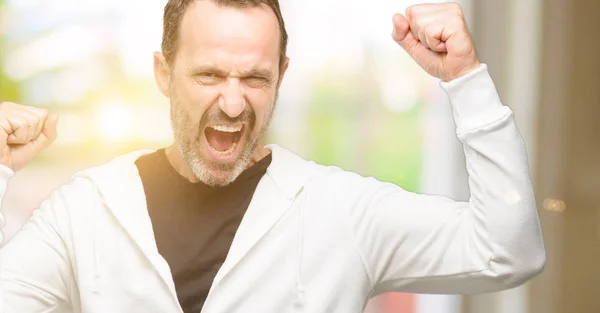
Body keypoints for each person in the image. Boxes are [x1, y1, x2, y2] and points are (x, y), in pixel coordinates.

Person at [0, 0, 546, 312]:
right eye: (210, 74)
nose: (233, 101)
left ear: (281, 77)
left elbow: (506, 251)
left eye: (255, 78)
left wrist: (465, 81)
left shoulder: (342, 211)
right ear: (164, 74)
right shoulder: (86, 211)